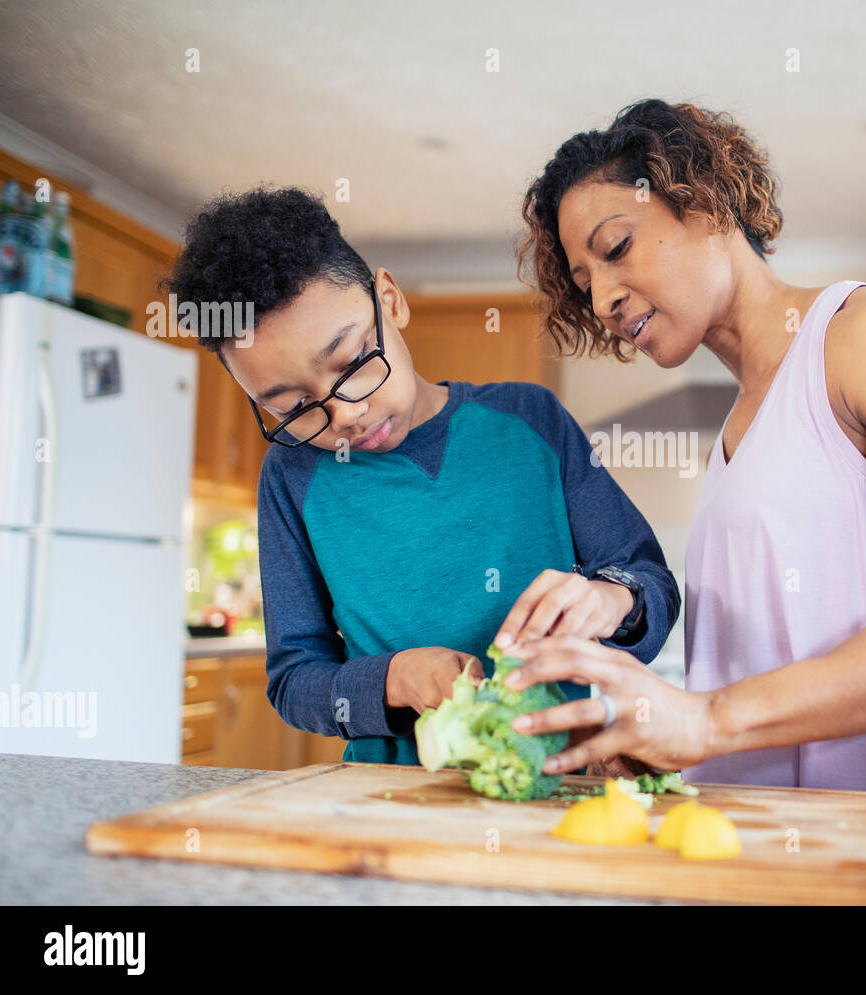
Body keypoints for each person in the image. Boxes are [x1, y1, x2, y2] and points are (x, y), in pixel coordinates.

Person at [500, 98, 866, 808]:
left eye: (616, 249)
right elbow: (762, 692)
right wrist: (666, 744)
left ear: (704, 200)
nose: (605, 297)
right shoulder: (738, 433)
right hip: (793, 848)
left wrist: (707, 719)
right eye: (585, 285)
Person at [164, 186, 680, 765]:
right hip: (392, 802)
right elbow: (294, 682)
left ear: (390, 300)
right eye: (291, 408)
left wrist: (611, 598)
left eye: (354, 362)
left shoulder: (531, 421)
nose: (345, 416)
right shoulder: (292, 476)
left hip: (561, 785)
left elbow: (650, 582)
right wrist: (398, 677)